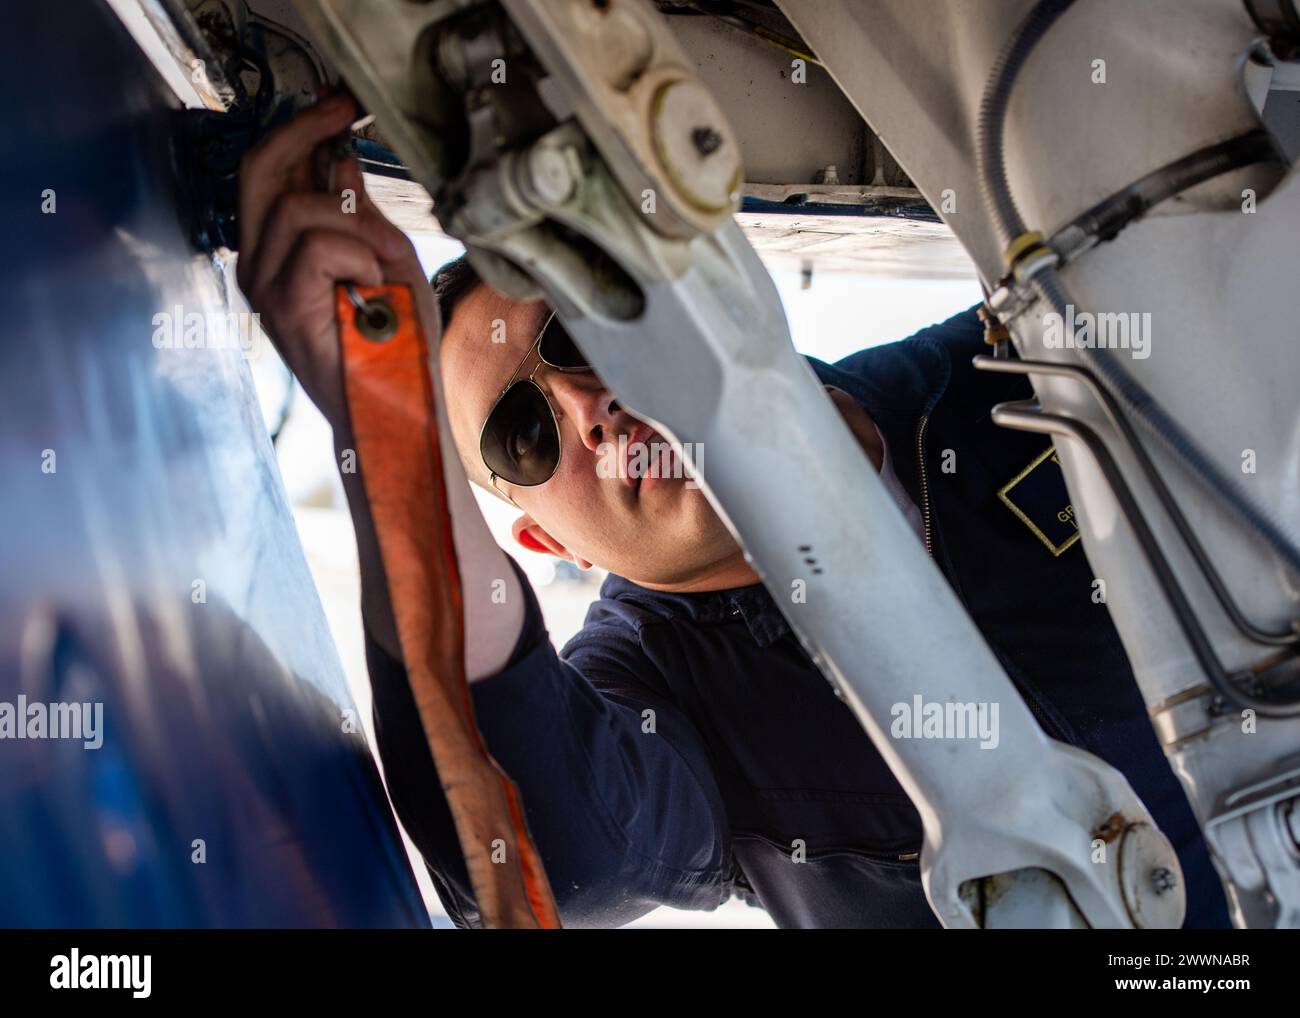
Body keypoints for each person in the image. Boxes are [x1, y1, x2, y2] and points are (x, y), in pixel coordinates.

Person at [238, 95, 1231, 928]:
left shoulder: (1019, 366)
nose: (586, 409)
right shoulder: (659, 686)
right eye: (523, 436)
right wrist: (387, 421)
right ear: (545, 539)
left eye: (575, 331)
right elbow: (550, 849)